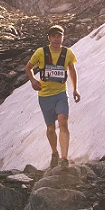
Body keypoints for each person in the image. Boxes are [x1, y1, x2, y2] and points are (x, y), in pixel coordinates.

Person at [26, 24, 80, 168]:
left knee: (63, 122)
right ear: (49, 38)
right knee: (51, 128)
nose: (57, 39)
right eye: (54, 36)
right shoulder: (40, 52)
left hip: (61, 93)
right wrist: (33, 81)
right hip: (45, 95)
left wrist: (75, 89)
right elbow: (28, 68)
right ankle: (54, 152)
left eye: (59, 36)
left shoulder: (68, 53)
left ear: (63, 37)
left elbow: (73, 71)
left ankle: (64, 158)